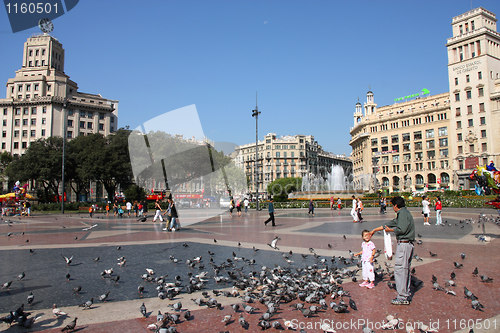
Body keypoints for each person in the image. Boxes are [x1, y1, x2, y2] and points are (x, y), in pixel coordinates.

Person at [370, 196, 415, 305]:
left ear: (396, 205)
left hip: (404, 244)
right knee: (404, 270)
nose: (392, 208)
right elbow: (391, 223)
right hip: (406, 245)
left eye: (392, 205)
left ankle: (402, 297)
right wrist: (375, 230)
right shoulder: (403, 213)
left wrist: (391, 230)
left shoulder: (403, 214)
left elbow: (401, 229)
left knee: (400, 270)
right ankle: (405, 293)